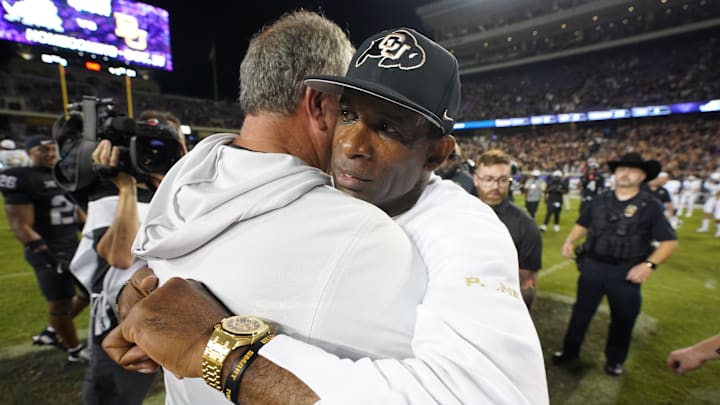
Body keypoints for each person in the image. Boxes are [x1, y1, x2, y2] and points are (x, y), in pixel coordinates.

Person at [103, 16, 548, 405]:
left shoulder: (463, 229)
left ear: (437, 153)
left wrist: (218, 348)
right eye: (349, 114)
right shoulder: (305, 188)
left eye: (388, 127)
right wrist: (138, 291)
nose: (352, 145)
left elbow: (495, 396)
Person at [77, 110, 187, 405]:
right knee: (116, 395)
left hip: (168, 308)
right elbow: (120, 256)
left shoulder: (182, 190)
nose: (159, 152)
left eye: (172, 143)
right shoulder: (109, 189)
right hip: (120, 314)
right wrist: (126, 188)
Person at [554, 153, 678, 376]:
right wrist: (570, 240)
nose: (624, 173)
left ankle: (615, 360)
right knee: (580, 313)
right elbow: (583, 223)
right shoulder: (600, 199)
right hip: (592, 266)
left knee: (623, 318)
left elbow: (669, 242)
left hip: (625, 271)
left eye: (631, 170)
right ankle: (569, 351)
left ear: (642, 176)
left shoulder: (651, 206)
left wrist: (648, 265)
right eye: (620, 169)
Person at [0, 134, 90, 362]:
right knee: (60, 302)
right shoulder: (22, 178)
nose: (50, 154)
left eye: (52, 150)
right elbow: (20, 225)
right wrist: (47, 256)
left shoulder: (61, 173)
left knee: (89, 292)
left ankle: (52, 332)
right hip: (48, 249)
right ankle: (74, 350)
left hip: (73, 245)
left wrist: (93, 232)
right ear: (29, 152)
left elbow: (75, 211)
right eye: (43, 151)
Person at [474, 149, 542, 309]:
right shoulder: (459, 213)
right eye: (488, 179)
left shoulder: (526, 226)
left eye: (503, 180)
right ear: (476, 180)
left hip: (499, 307)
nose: (495, 186)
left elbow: (527, 282)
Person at [696, 172, 720, 237]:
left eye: (715, 180)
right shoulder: (709, 183)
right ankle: (705, 228)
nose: (714, 181)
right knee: (707, 212)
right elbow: (705, 186)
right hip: (711, 198)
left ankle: (719, 231)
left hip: (718, 200)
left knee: (718, 216)